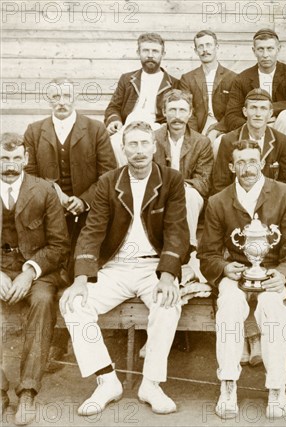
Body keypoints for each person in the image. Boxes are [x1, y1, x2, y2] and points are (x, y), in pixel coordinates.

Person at [60, 121, 189, 417]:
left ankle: (152, 384)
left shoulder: (171, 179)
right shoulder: (109, 181)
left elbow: (177, 230)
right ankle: (106, 381)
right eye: (133, 144)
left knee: (168, 304)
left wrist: (168, 275)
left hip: (152, 267)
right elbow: (92, 231)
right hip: (115, 267)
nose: (139, 150)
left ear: (155, 146)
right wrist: (81, 280)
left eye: (145, 143)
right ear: (123, 148)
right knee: (73, 303)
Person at [199, 140, 286, 419]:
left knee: (272, 310)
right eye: (241, 163)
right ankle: (229, 383)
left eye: (253, 161)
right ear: (232, 166)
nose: (248, 168)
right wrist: (223, 268)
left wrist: (283, 274)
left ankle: (277, 386)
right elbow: (207, 253)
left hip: (271, 271)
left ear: (262, 163)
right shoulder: (218, 201)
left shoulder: (285, 193)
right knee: (230, 307)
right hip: (236, 271)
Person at [23, 78, 117, 370]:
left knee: (83, 269)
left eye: (66, 95)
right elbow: (30, 175)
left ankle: (83, 337)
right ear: (47, 99)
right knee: (51, 275)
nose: (61, 101)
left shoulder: (95, 128)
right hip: (49, 215)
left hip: (89, 214)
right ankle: (56, 341)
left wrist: (84, 201)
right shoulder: (35, 131)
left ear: (74, 97)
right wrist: (55, 196)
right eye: (54, 96)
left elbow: (109, 173)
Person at [0, 133, 70, 425]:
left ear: (26, 160)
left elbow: (59, 244)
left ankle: (27, 391)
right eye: (4, 158)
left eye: (17, 158)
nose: (11, 165)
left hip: (38, 270)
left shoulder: (43, 190)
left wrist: (29, 272)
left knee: (42, 301)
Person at [223, 28, 286, 144]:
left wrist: (268, 110)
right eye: (260, 49)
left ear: (278, 49)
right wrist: (253, 125)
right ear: (254, 51)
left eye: (270, 49)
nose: (265, 55)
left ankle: (284, 159)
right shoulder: (242, 78)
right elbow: (231, 114)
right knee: (219, 142)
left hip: (280, 125)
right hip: (252, 128)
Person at [153, 89, 213, 249]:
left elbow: (204, 182)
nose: (177, 116)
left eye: (182, 110)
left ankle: (189, 246)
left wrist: (180, 187)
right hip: (158, 191)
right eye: (172, 110)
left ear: (190, 113)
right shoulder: (153, 138)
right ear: (164, 112)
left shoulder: (202, 142)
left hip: (188, 193)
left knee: (189, 195)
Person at [212, 89, 286, 193]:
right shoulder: (229, 140)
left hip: (270, 201)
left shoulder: (282, 141)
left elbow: (284, 181)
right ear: (245, 111)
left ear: (270, 113)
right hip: (238, 200)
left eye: (263, 108)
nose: (258, 114)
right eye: (253, 108)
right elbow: (220, 184)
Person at [104, 33, 178, 135]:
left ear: (163, 54)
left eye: (155, 51)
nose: (150, 55)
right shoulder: (127, 79)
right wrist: (115, 121)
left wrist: (165, 127)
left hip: (157, 131)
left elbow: (176, 113)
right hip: (127, 129)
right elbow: (113, 107)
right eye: (145, 50)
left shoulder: (173, 84)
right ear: (138, 53)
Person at [179, 30, 237, 144]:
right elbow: (187, 111)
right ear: (196, 51)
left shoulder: (232, 77)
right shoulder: (187, 78)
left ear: (217, 47)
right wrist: (194, 136)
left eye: (208, 45)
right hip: (198, 126)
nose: (205, 50)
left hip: (224, 126)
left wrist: (217, 130)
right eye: (200, 46)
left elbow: (233, 110)